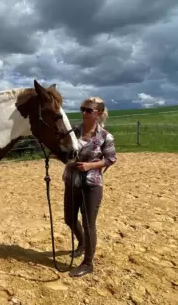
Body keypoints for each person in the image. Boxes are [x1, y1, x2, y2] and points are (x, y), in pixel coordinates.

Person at [62, 96, 117, 277]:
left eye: (88, 110)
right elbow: (63, 149)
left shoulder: (105, 136)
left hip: (91, 183)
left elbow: (110, 159)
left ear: (99, 114)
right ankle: (82, 242)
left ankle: (88, 263)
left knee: (88, 222)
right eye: (82, 109)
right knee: (69, 218)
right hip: (71, 180)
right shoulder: (72, 132)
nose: (84, 113)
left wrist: (90, 166)